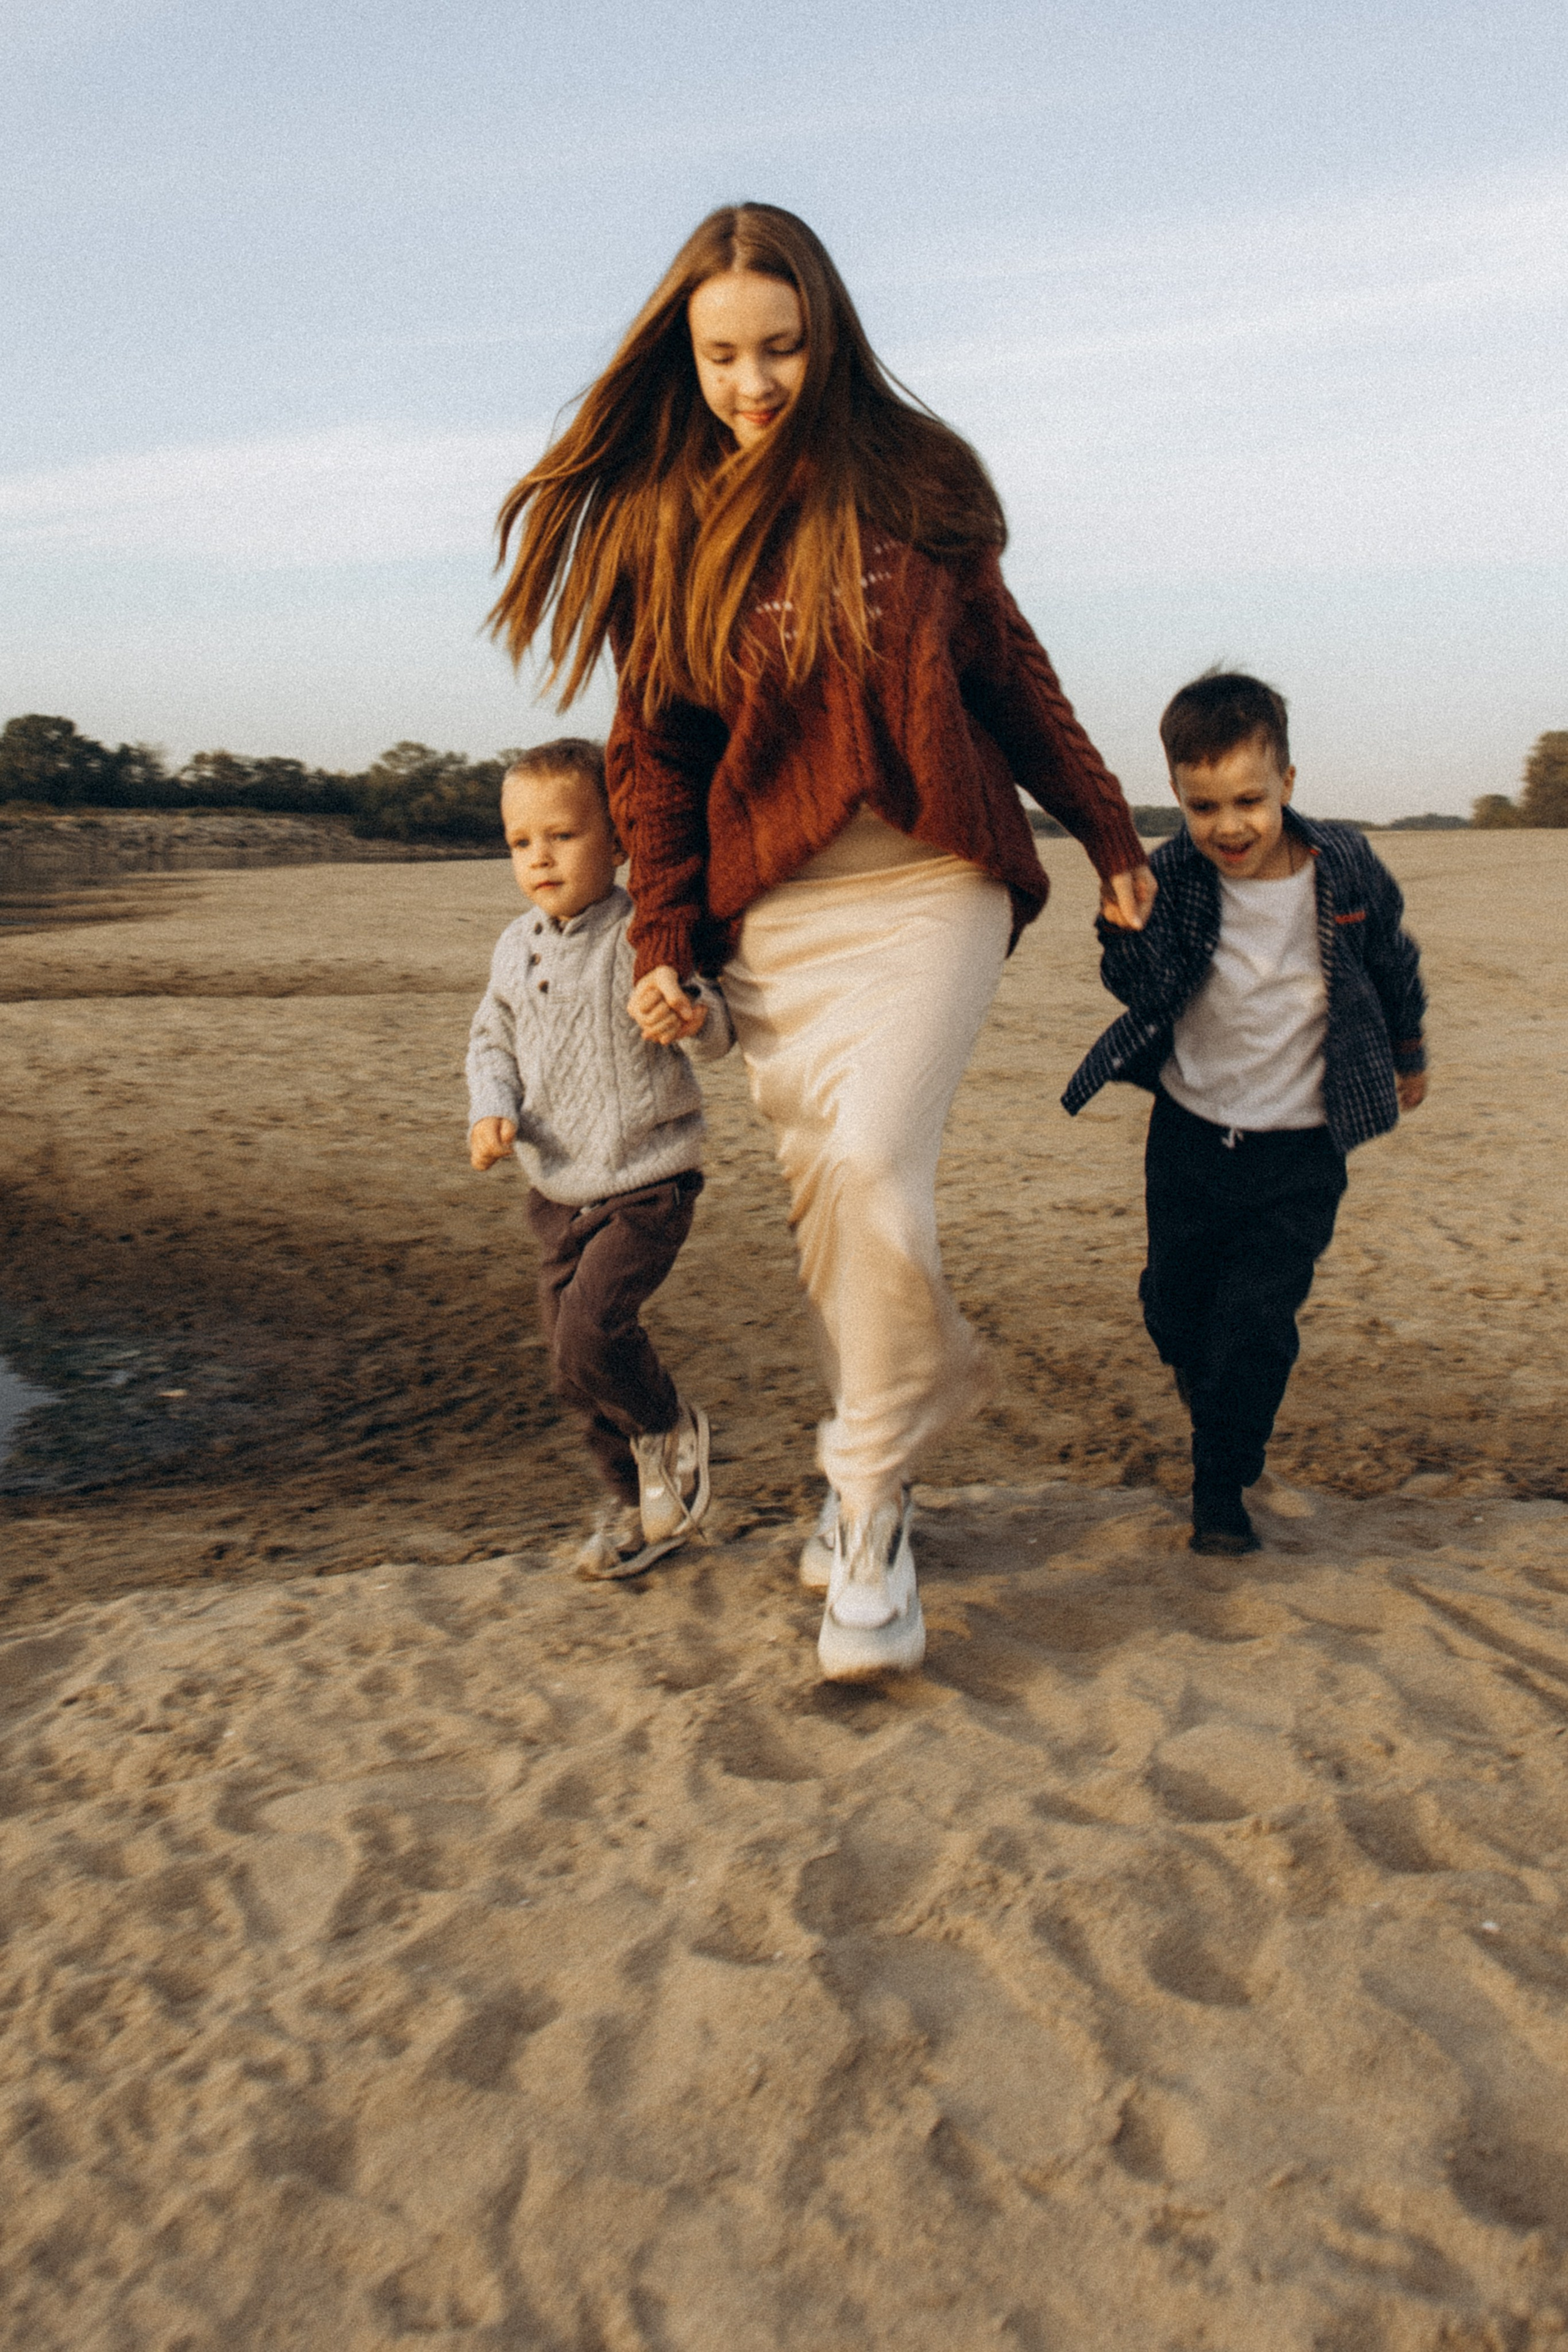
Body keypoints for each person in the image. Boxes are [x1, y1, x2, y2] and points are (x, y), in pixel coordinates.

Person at [489, 204, 1153, 1679]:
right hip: (770, 919)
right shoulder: (664, 525)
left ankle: (862, 1514)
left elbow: (1009, 671)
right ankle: (886, 1459)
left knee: (871, 1169)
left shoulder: (916, 480)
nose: (752, 382)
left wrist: (1108, 831)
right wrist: (663, 932)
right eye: (722, 354)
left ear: (826, 332)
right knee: (836, 1222)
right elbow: (652, 762)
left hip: (933, 887)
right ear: (686, 352)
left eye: (780, 347)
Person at [1063, 671, 1428, 1555]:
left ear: (1288, 786)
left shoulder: (1343, 866)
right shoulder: (1173, 875)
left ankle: (1221, 1483)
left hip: (1301, 1149)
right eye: (1204, 806)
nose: (1230, 825)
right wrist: (1122, 930)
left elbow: (1392, 960)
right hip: (1189, 1137)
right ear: (1180, 799)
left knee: (1257, 1323)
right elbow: (1140, 986)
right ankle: (1196, 1366)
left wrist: (1409, 1052)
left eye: (1249, 801)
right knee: (1177, 1309)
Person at [466, 737, 733, 1578]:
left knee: (593, 1330)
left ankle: (668, 1429)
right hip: (557, 1189)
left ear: (619, 841)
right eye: (520, 842)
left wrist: (692, 1011)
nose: (539, 857)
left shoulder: (644, 932)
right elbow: (491, 1041)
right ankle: (632, 1503)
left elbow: (721, 1020)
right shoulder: (515, 946)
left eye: (563, 836)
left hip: (647, 1178)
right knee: (570, 1366)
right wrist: (492, 1110)